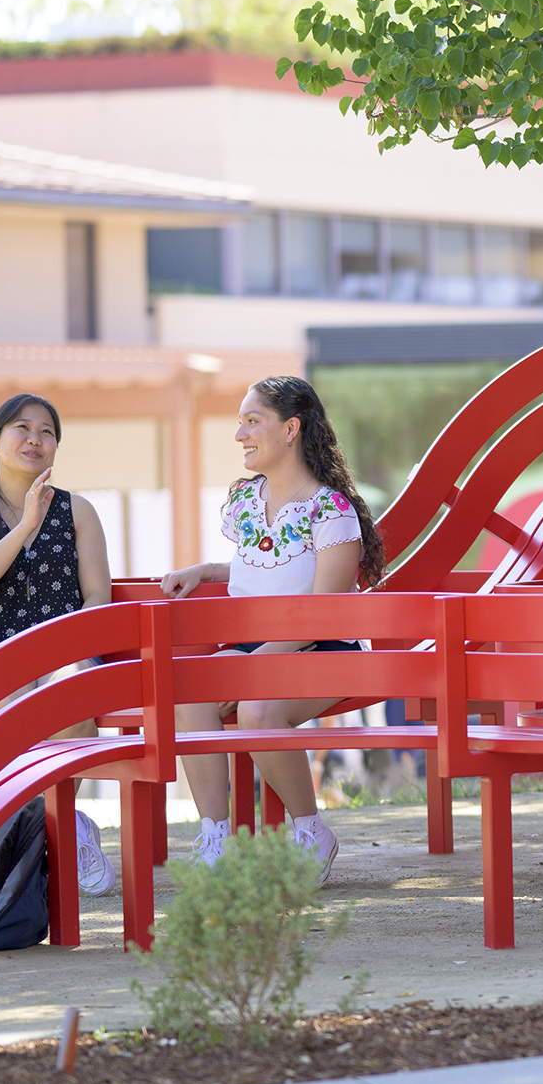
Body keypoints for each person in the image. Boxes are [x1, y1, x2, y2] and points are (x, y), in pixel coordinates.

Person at [160, 375, 385, 884]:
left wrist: (257, 661)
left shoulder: (331, 509)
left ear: (290, 429)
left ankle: (311, 833)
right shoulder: (244, 501)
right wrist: (207, 572)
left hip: (325, 649)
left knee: (257, 705)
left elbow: (326, 610)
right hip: (253, 647)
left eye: (252, 421)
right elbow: (259, 565)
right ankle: (216, 838)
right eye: (240, 422)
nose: (240, 433)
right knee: (190, 690)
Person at [0, 392, 117, 896]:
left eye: (46, 432)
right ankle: (63, 829)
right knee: (24, 713)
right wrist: (24, 528)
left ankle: (49, 831)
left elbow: (97, 595)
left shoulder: (78, 510)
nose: (34, 439)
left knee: (75, 690)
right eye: (21, 428)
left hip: (67, 656)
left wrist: (64, 654)